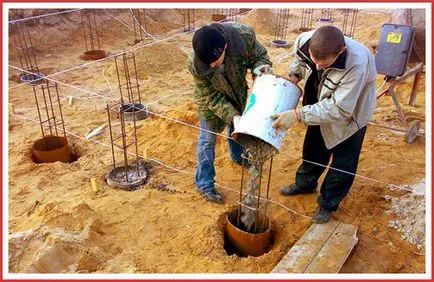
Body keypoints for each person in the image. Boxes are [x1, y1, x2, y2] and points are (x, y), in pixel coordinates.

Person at [271, 25, 377, 223]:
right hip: (318, 102)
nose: (318, 66)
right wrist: (294, 77)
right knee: (313, 148)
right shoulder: (305, 40)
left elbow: (339, 109)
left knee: (343, 162)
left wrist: (297, 115)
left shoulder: (357, 64)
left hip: (350, 113)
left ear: (340, 52)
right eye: (314, 59)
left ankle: (327, 203)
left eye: (324, 63)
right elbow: (300, 61)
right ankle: (305, 183)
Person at [187, 22, 272, 204]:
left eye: (216, 61)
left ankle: (238, 156)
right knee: (207, 140)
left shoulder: (244, 37)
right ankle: (204, 184)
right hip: (210, 100)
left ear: (225, 46)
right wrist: (233, 116)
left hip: (237, 91)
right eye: (208, 64)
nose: (213, 65)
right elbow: (211, 97)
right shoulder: (196, 65)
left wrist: (260, 69)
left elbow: (260, 56)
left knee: (237, 128)